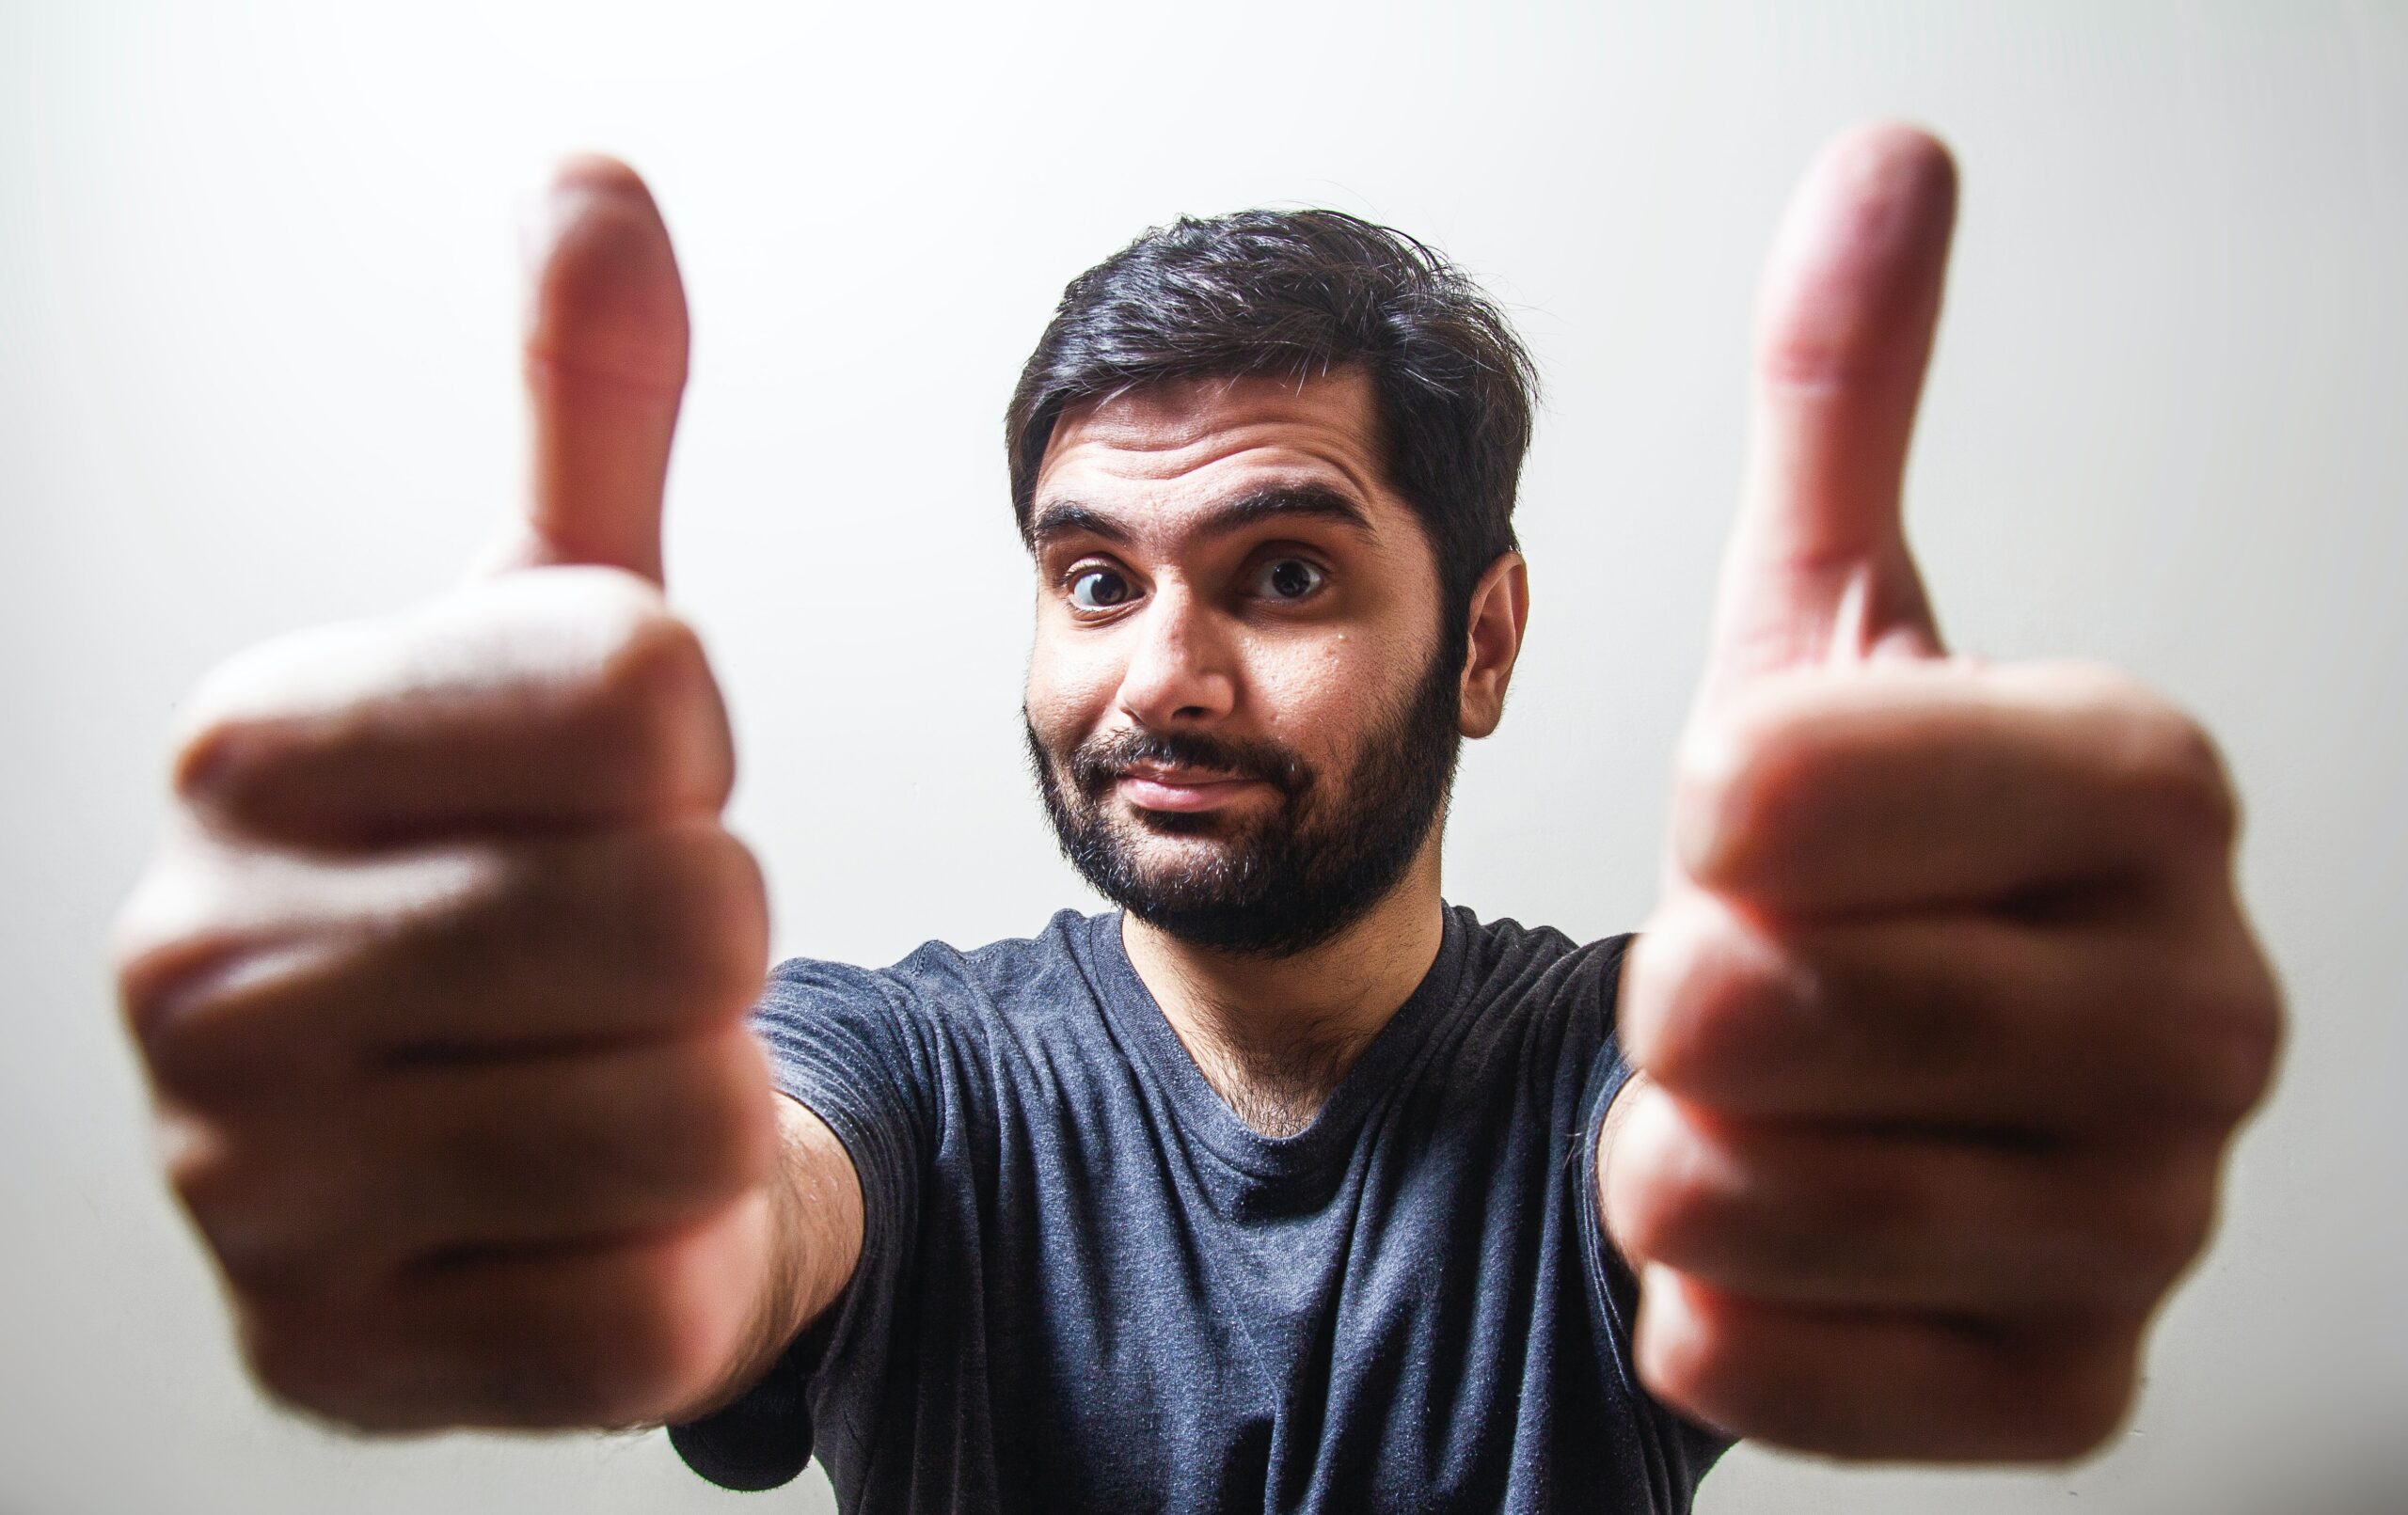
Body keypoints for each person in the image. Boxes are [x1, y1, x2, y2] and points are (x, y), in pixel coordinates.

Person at [110, 120, 2282, 1513]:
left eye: (1285, 570)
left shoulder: (1616, 1074)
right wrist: (585, 1202)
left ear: (1485, 636)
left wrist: (1920, 1076)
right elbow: (750, 1198)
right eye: (1090, 575)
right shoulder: (904, 1068)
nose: (1156, 671)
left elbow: (1708, 1141)